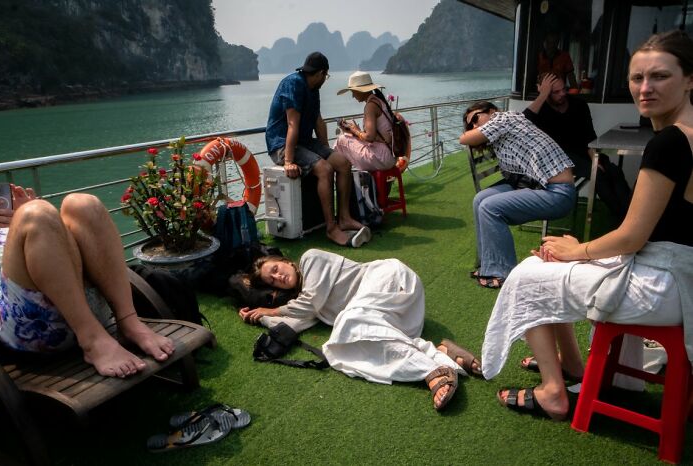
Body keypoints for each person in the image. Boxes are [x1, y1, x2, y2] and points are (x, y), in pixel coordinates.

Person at [481, 30, 693, 421]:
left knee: (529, 274)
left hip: (662, 288)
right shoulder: (685, 136)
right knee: (551, 261)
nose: (645, 88)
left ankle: (553, 393)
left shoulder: (670, 143)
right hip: (680, 278)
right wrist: (577, 253)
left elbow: (632, 236)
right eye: (637, 78)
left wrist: (578, 251)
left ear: (689, 79)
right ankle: (574, 366)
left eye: (660, 76)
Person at [237, 249, 483, 411]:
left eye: (275, 269)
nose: (278, 277)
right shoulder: (306, 301)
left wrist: (271, 310)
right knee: (349, 345)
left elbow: (308, 304)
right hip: (399, 319)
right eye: (271, 281)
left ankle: (431, 371)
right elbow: (297, 320)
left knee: (348, 324)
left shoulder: (310, 260)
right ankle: (441, 353)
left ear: (285, 262)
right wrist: (258, 316)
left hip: (389, 279)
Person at [0, 186, 175, 378]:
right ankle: (92, 340)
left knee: (83, 204)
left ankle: (128, 321)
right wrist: (29, 218)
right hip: (26, 329)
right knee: (36, 214)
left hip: (86, 307)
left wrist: (27, 221)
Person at [459, 102, 576, 289]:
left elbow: (464, 139)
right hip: (538, 186)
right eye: (470, 124)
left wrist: (469, 133)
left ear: (491, 111)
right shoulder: (502, 132)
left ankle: (503, 272)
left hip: (558, 193)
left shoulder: (504, 118)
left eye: (475, 118)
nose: (474, 125)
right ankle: (488, 264)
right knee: (480, 199)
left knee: (489, 207)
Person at [265, 52, 370, 248]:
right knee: (325, 169)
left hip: (305, 142)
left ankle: (344, 218)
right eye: (326, 76)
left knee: (342, 163)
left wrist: (326, 150)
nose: (325, 80)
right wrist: (288, 161)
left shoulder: (313, 89)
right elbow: (292, 124)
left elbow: (318, 121)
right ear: (321, 73)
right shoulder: (293, 84)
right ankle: (331, 228)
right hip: (282, 144)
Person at [524, 73, 632, 222]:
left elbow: (589, 136)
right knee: (598, 176)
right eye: (555, 92)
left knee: (614, 172)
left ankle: (631, 216)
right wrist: (542, 96)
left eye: (564, 89)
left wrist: (595, 159)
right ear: (543, 90)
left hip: (585, 152)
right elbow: (523, 122)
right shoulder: (540, 110)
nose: (562, 94)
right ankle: (623, 219)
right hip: (558, 160)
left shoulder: (579, 105)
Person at [334, 71, 397, 171]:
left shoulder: (370, 106)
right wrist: (355, 131)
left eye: (353, 92)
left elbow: (369, 137)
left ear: (361, 91)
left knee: (341, 140)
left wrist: (354, 130)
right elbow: (377, 136)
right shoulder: (379, 101)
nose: (353, 96)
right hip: (391, 155)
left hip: (381, 157)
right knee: (348, 137)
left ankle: (342, 175)